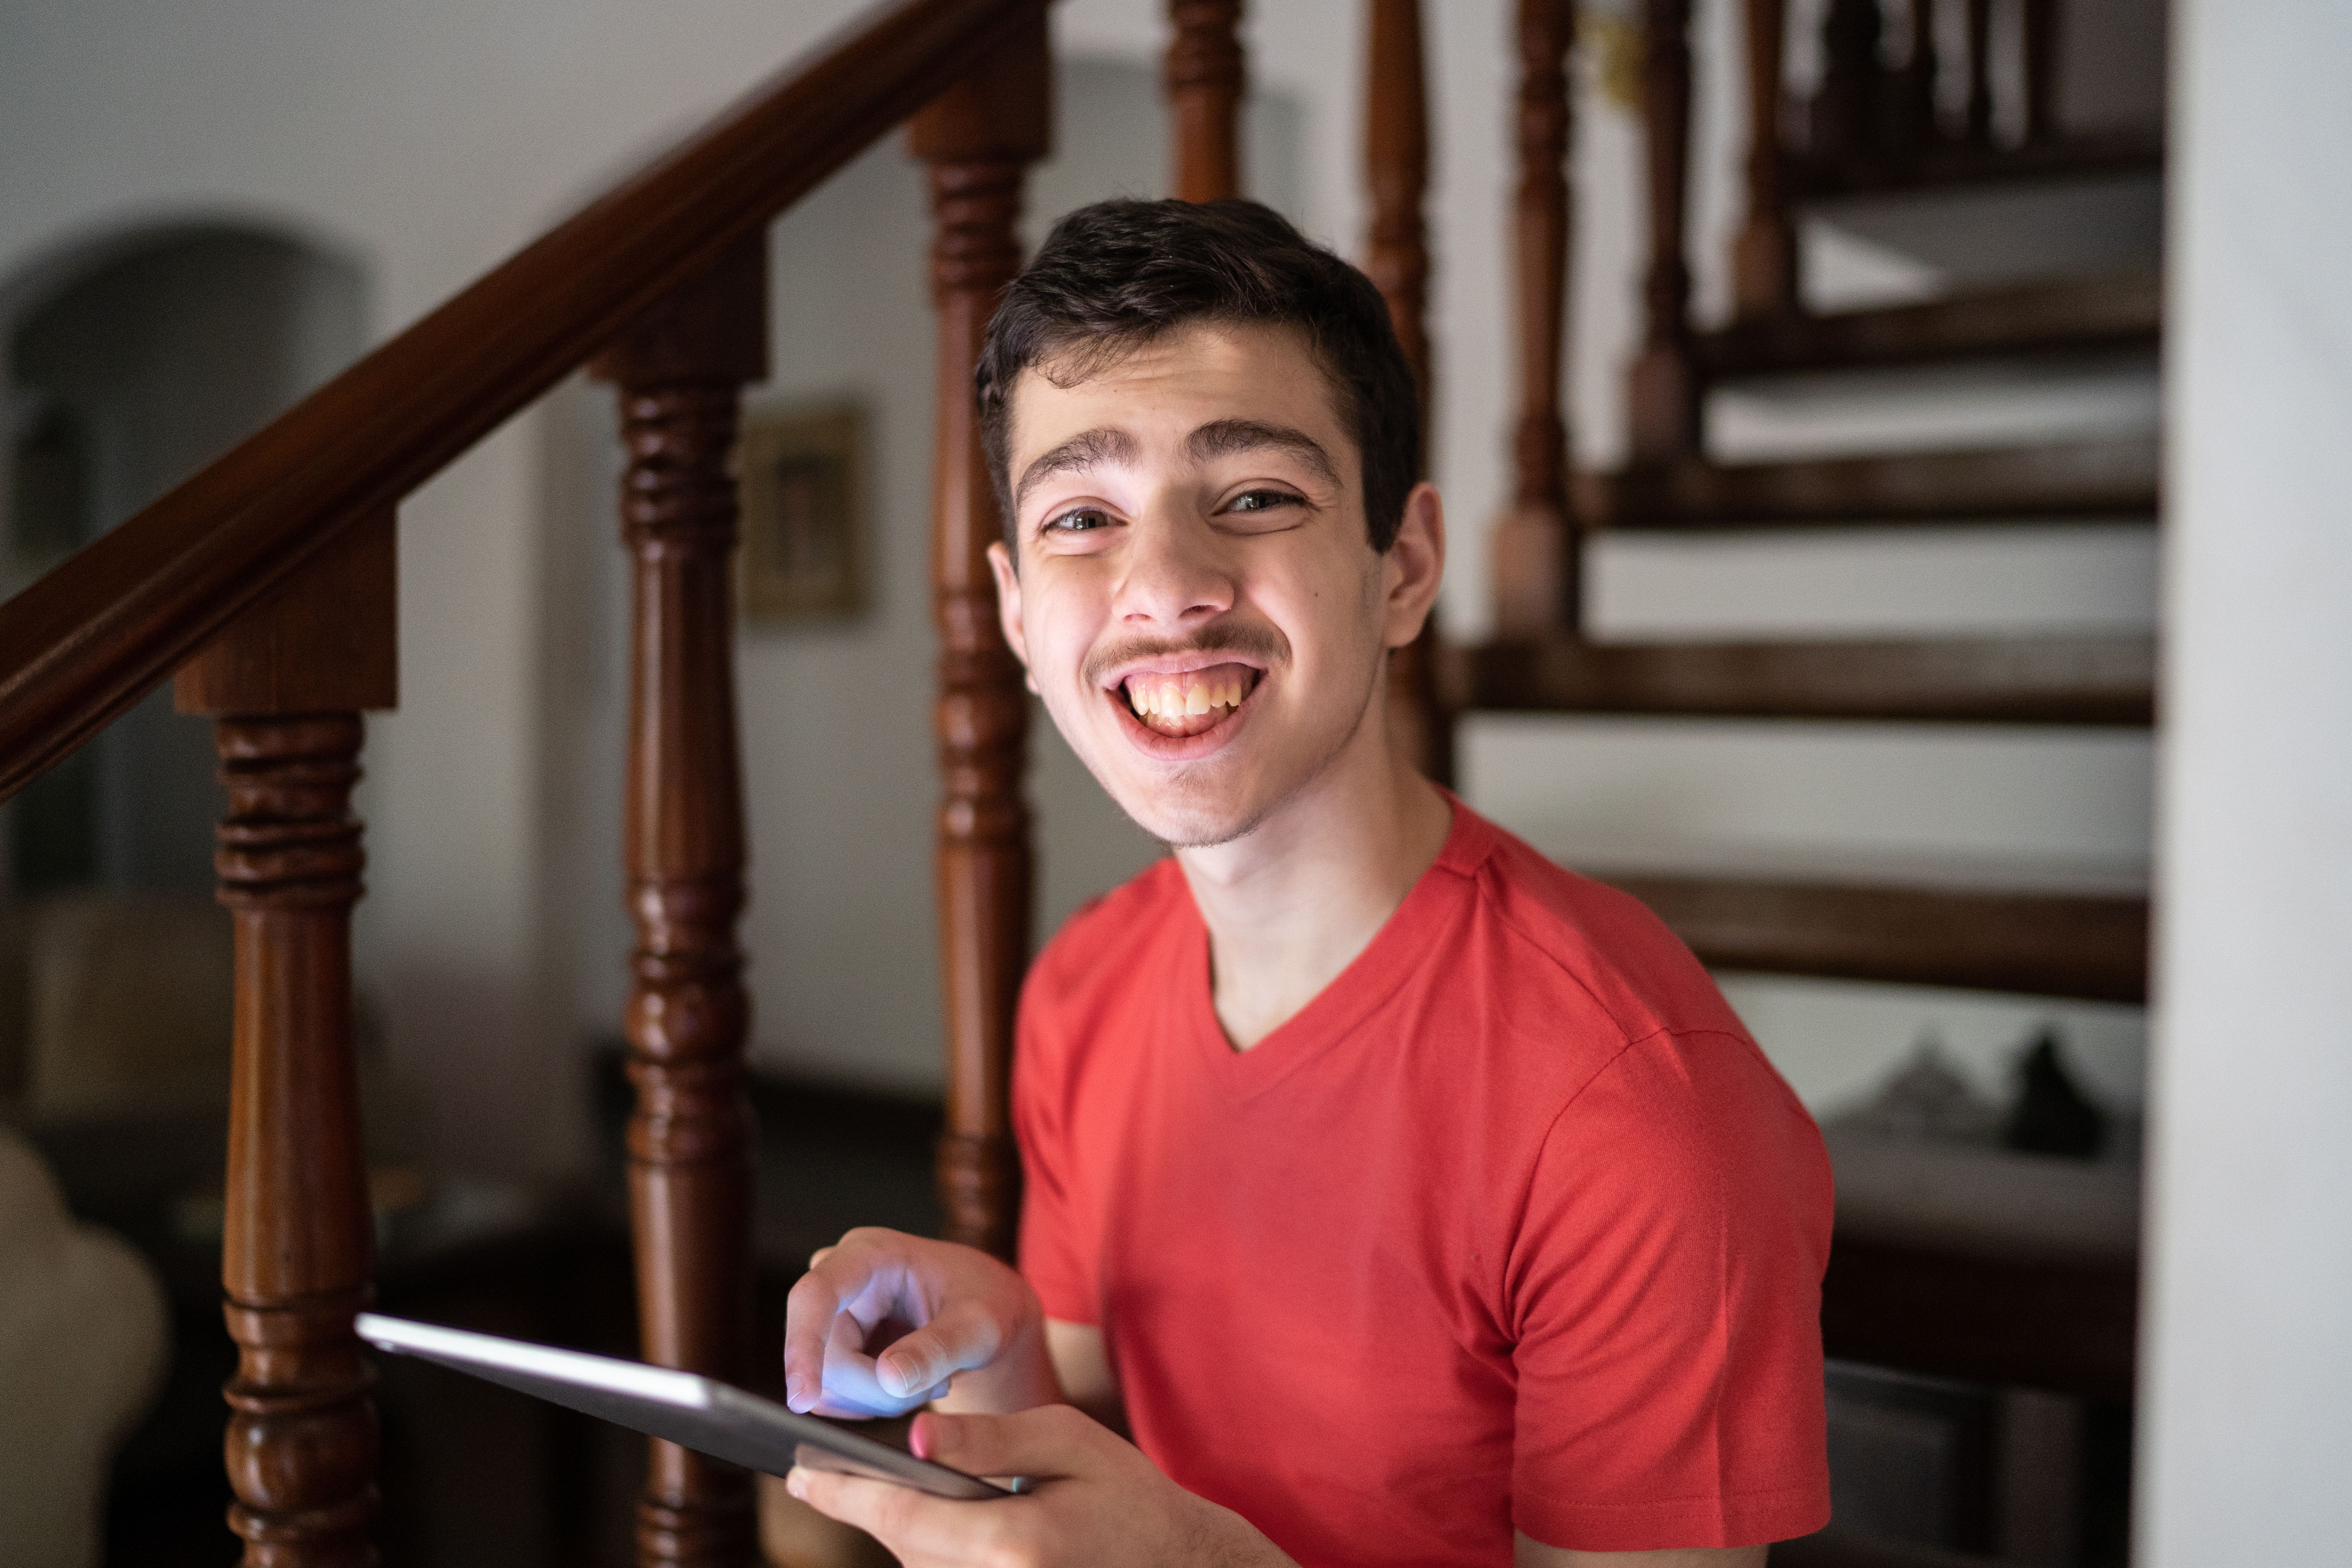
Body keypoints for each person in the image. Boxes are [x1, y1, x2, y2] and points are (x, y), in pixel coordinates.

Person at [779, 198, 1832, 1568]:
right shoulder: (1084, 988)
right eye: (1085, 517)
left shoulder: (1635, 1107)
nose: (1163, 586)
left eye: (1257, 497)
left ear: (1403, 567)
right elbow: (1103, 1474)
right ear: (1021, 619)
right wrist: (997, 1349)